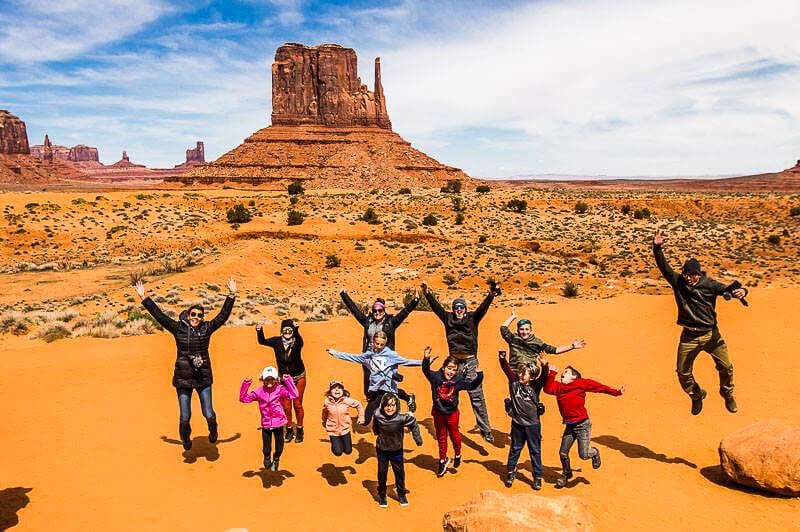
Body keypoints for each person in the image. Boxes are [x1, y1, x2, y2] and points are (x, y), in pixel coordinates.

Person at [653, 228, 748, 415]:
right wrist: (657, 248)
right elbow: (664, 266)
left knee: (726, 367)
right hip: (688, 335)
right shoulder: (678, 281)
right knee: (682, 372)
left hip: (711, 334)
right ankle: (697, 395)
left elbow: (727, 290)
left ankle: (727, 393)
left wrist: (742, 292)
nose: (688, 278)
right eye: (686, 275)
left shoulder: (709, 284)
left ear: (698, 274)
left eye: (692, 275)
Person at [135, 278, 236, 451]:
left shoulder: (207, 328)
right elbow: (160, 316)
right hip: (183, 378)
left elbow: (222, 316)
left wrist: (231, 295)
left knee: (209, 413)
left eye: (199, 315)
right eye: (193, 314)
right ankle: (185, 439)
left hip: (203, 377)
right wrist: (144, 297)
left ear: (202, 318)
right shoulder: (178, 328)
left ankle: (213, 432)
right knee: (184, 417)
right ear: (188, 316)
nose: (196, 317)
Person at [422, 279, 500, 442]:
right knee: (445, 392)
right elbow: (437, 308)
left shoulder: (472, 318)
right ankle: (445, 425)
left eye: (461, 307)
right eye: (456, 307)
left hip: (470, 362)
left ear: (465, 309)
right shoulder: (448, 318)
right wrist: (427, 293)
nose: (459, 310)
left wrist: (491, 295)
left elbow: (483, 308)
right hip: (454, 364)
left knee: (476, 395)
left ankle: (485, 429)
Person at [543, 362, 624, 488]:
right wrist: (551, 373)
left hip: (583, 426)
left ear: (574, 376)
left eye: (566, 372)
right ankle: (566, 473)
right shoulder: (559, 387)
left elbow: (600, 388)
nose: (562, 373)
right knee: (563, 453)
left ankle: (595, 453)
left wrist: (617, 392)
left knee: (584, 455)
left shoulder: (581, 383)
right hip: (570, 426)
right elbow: (547, 389)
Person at [340, 290, 420, 412]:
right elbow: (354, 310)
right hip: (370, 358)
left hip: (386, 360)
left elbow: (404, 313)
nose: (377, 313)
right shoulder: (367, 321)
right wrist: (343, 294)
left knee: (388, 388)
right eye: (375, 310)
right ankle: (376, 412)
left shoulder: (391, 321)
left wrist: (415, 301)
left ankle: (406, 399)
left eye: (380, 310)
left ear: (384, 310)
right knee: (369, 389)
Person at [326, 331, 423, 425]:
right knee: (365, 421)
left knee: (391, 419)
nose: (379, 347)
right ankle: (405, 399)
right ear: (373, 341)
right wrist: (335, 353)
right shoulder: (367, 356)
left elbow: (407, 362)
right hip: (376, 390)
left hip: (389, 390)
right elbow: (352, 357)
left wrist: (425, 362)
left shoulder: (391, 355)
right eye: (377, 344)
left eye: (382, 344)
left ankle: (406, 402)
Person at [421, 347, 484, 477]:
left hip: (452, 414)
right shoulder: (436, 377)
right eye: (449, 368)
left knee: (455, 436)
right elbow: (426, 371)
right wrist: (426, 359)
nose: (451, 371)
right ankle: (442, 460)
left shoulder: (458, 380)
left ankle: (457, 454)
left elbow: (471, 386)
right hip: (438, 413)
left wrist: (479, 376)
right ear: (444, 367)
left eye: (454, 369)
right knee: (441, 437)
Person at [499, 350, 549, 490]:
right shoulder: (514, 382)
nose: (520, 375)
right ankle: (510, 472)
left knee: (535, 451)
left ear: (531, 377)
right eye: (520, 372)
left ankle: (537, 477)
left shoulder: (535, 386)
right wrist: (502, 359)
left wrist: (545, 366)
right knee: (515, 448)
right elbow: (507, 369)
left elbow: (544, 377)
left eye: (524, 373)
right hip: (517, 424)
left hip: (532, 426)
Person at [239, 366, 299, 471]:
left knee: (279, 447)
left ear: (276, 379)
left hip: (279, 424)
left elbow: (294, 395)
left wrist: (288, 380)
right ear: (262, 379)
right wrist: (246, 384)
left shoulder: (280, 389)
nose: (269, 381)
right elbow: (243, 399)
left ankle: (276, 459)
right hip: (266, 425)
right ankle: (267, 457)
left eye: (272, 379)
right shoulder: (258, 392)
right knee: (266, 448)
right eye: (267, 379)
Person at [256, 319, 306, 443]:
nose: (287, 332)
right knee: (286, 407)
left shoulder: (296, 342)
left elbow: (300, 341)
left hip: (299, 376)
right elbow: (262, 341)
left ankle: (300, 429)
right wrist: (259, 330)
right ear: (281, 331)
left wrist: (297, 330)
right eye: (285, 330)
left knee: (297, 404)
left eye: (290, 330)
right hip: (284, 379)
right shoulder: (276, 341)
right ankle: (289, 429)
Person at [372, 393, 423, 508]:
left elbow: (414, 424)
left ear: (397, 406)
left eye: (393, 405)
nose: (390, 408)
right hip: (382, 450)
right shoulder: (378, 414)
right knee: (382, 473)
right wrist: (376, 433)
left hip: (397, 451)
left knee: (399, 473)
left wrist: (417, 439)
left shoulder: (401, 418)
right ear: (382, 406)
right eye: (387, 405)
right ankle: (382, 494)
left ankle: (401, 494)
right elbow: (375, 425)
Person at [500, 307, 586, 374]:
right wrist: (512, 317)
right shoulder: (513, 338)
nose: (524, 332)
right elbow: (503, 328)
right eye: (521, 329)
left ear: (531, 330)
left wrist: (572, 346)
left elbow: (555, 350)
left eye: (527, 329)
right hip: (514, 373)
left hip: (530, 374)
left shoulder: (537, 342)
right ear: (518, 330)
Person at [322, 380, 365, 456]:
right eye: (334, 388)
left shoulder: (346, 400)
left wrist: (361, 417)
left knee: (348, 451)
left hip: (345, 429)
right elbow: (324, 412)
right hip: (333, 430)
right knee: (338, 452)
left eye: (339, 388)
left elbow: (358, 404)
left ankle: (339, 443)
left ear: (343, 391)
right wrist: (324, 421)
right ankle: (335, 443)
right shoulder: (327, 402)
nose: (337, 390)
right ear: (330, 392)